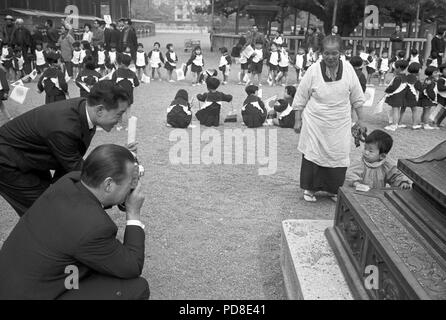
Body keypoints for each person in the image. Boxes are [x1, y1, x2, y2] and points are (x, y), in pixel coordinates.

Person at [0, 144, 149, 300]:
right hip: (29, 295)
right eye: (129, 184)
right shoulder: (94, 228)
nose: (132, 187)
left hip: (10, 282)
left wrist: (128, 171)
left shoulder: (68, 182)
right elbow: (133, 266)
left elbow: (100, 198)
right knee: (137, 288)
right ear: (108, 184)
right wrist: (133, 213)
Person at [0, 80, 132, 217]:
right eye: (119, 114)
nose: (120, 119)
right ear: (99, 110)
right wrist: (120, 193)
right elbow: (82, 172)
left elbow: (69, 167)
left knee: (52, 201)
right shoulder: (65, 127)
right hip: (8, 161)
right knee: (42, 213)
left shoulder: (85, 111)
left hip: (32, 157)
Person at [292, 35, 365, 203]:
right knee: (313, 153)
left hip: (340, 120)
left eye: (334, 53)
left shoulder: (348, 69)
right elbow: (301, 95)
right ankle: (310, 189)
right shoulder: (313, 70)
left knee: (338, 154)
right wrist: (298, 118)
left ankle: (333, 189)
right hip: (316, 120)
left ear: (341, 53)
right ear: (321, 53)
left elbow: (357, 97)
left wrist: (361, 120)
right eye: (326, 53)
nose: (330, 57)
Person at [346, 130, 411, 190]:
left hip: (377, 196)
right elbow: (351, 174)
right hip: (357, 194)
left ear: (382, 156)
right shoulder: (360, 163)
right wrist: (356, 184)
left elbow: (396, 176)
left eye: (370, 151)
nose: (366, 152)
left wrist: (402, 183)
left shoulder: (386, 166)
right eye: (365, 148)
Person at [384, 60, 409, 131]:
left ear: (399, 68)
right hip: (401, 96)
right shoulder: (404, 76)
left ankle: (393, 125)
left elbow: (393, 87)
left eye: (395, 68)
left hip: (396, 96)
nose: (394, 70)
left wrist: (387, 90)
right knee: (397, 110)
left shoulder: (398, 78)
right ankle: (396, 123)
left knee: (395, 110)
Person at [400, 62, 422, 129]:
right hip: (412, 96)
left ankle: (399, 123)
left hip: (404, 95)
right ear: (417, 70)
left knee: (402, 109)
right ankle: (415, 124)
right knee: (414, 110)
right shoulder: (416, 79)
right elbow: (420, 88)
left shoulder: (406, 77)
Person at [418, 66, 439, 130]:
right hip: (428, 98)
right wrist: (433, 98)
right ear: (431, 73)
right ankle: (426, 124)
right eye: (435, 72)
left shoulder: (427, 79)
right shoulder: (431, 81)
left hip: (424, 98)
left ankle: (422, 122)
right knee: (427, 111)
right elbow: (429, 91)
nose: (437, 73)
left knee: (424, 111)